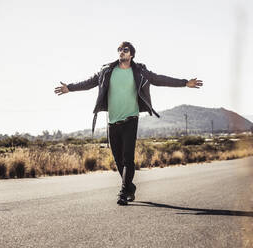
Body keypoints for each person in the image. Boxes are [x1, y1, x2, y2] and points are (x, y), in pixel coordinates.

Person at [54, 41, 203, 205]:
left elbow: (160, 79)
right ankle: (130, 187)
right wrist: (70, 88)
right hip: (112, 121)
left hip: (131, 119)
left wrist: (184, 83)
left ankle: (123, 193)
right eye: (119, 50)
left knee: (127, 159)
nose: (121, 52)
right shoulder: (107, 71)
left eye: (125, 50)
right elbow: (89, 82)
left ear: (131, 54)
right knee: (118, 159)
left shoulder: (139, 71)